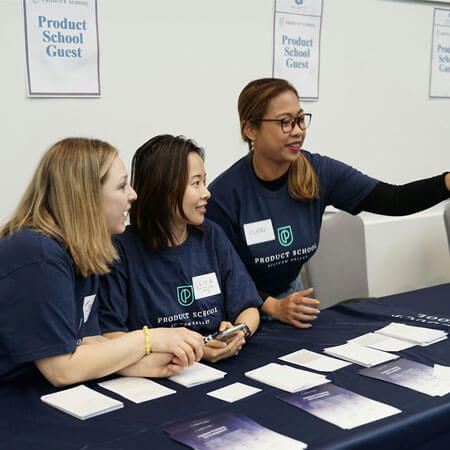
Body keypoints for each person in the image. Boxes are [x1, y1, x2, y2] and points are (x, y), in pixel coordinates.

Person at [206, 77, 450, 329]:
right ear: (250, 130)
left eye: (300, 119)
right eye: (285, 123)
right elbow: (224, 275)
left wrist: (446, 183)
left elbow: (394, 200)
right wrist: (272, 306)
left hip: (293, 305)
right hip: (242, 313)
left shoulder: (319, 172)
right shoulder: (225, 196)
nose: (298, 130)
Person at [0, 138, 203, 386]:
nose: (133, 195)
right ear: (86, 196)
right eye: (121, 186)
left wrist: (142, 363)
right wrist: (148, 340)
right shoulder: (36, 251)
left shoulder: (85, 247)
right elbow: (62, 369)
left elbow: (89, 340)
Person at [98, 135, 262, 363]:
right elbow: (111, 336)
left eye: (205, 182)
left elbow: (249, 308)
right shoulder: (122, 250)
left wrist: (237, 332)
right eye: (196, 184)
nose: (207, 193)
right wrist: (194, 350)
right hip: (155, 374)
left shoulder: (211, 236)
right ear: (163, 189)